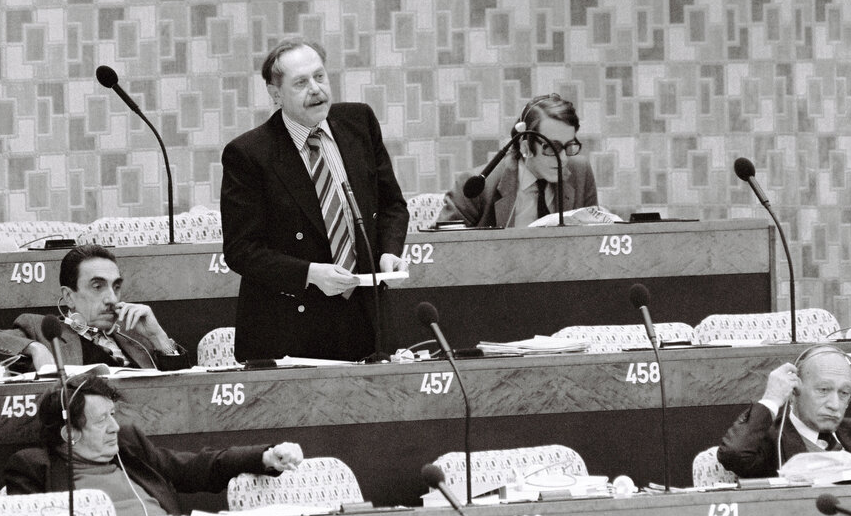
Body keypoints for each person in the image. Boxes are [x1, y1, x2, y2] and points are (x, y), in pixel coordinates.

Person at [220, 38, 409, 362]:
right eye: (301, 83)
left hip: (364, 316)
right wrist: (310, 273)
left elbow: (392, 205)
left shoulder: (359, 123)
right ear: (276, 94)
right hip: (292, 326)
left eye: (320, 77)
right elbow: (242, 251)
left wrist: (389, 252)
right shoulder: (249, 154)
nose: (316, 89)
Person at [5, 373, 303, 516]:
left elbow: (197, 468)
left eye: (113, 415)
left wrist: (266, 457)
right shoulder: (33, 468)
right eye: (101, 421)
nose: (115, 427)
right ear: (70, 434)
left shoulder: (128, 447)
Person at [0, 244, 183, 371]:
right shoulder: (45, 331)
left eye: (116, 287)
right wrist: (35, 348)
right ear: (69, 297)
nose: (111, 298)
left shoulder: (137, 339)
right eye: (97, 286)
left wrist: (159, 338)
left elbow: (179, 395)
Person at [717, 344, 851, 478]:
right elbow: (733, 455)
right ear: (795, 389)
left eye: (844, 393)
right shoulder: (772, 439)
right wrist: (771, 399)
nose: (834, 404)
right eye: (823, 390)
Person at [439, 92, 597, 228]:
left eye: (569, 146)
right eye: (552, 148)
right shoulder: (479, 187)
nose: (562, 158)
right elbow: (442, 247)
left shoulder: (581, 172)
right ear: (525, 148)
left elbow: (595, 238)